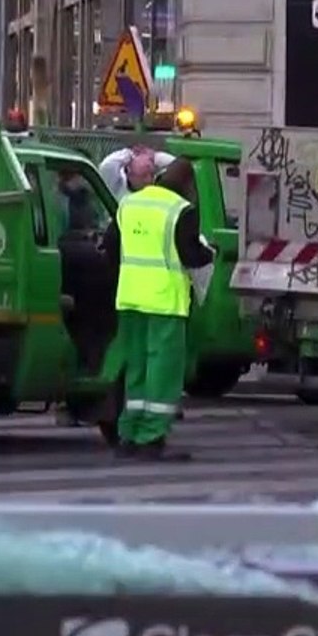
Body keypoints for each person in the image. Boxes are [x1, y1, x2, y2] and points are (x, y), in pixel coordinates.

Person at [102, 158, 213, 460]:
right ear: (188, 185)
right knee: (162, 371)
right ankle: (151, 437)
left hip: (129, 299)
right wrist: (209, 253)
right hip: (164, 303)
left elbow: (110, 245)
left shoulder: (129, 204)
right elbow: (190, 255)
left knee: (135, 366)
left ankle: (128, 434)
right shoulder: (180, 210)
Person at [99, 144, 176, 201]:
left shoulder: (156, 189)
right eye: (143, 175)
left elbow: (176, 165)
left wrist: (154, 156)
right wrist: (130, 153)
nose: (149, 180)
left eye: (152, 175)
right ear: (129, 172)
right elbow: (107, 164)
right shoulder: (116, 185)